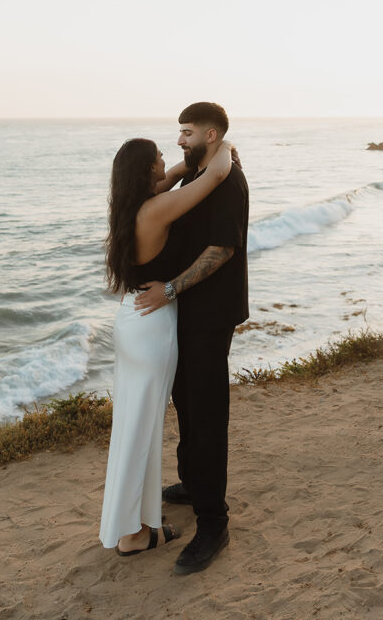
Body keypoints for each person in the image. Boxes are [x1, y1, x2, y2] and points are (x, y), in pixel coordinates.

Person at [99, 136, 232, 556]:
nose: (166, 157)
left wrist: (174, 169)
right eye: (158, 154)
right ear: (146, 170)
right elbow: (216, 176)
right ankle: (136, 535)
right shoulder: (156, 209)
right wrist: (222, 142)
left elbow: (174, 176)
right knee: (143, 430)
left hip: (130, 320)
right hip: (153, 323)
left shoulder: (129, 207)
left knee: (131, 427)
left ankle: (132, 527)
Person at [135, 102, 249, 575]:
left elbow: (221, 249)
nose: (179, 139)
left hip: (210, 314)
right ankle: (191, 481)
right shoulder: (198, 171)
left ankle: (213, 522)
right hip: (184, 313)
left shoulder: (231, 182)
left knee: (206, 413)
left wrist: (171, 289)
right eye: (178, 132)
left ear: (211, 134)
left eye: (187, 132)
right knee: (185, 402)